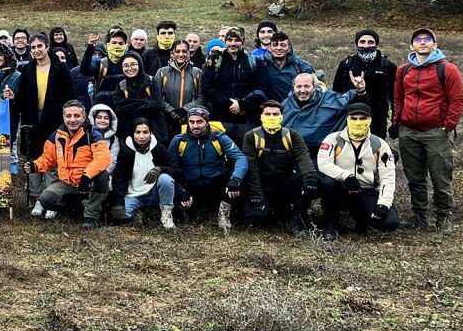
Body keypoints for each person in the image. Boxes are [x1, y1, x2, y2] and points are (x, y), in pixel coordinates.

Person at [392, 27, 463, 230]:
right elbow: (398, 98)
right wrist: (396, 122)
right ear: (411, 45)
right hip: (408, 132)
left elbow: (457, 100)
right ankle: (420, 217)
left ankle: (443, 218)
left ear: (435, 44)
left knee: (440, 177)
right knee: (415, 178)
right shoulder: (404, 70)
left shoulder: (447, 69)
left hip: (435, 132)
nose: (422, 42)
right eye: (418, 39)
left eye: (427, 39)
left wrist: (447, 126)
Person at [23, 100, 111, 229]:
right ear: (63, 117)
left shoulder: (93, 134)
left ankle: (91, 216)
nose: (72, 120)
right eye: (68, 116)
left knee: (103, 175)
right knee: (46, 199)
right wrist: (34, 166)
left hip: (88, 182)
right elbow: (48, 158)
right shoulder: (56, 136)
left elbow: (103, 158)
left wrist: (86, 177)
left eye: (76, 116)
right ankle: (77, 207)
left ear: (84, 117)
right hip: (67, 183)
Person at [316, 103, 399, 239]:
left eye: (362, 118)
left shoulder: (380, 144)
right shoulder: (333, 139)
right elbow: (323, 163)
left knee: (390, 222)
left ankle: (362, 219)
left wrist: (383, 204)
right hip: (340, 187)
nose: (358, 121)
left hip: (365, 190)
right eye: (354, 118)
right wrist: (346, 176)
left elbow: (388, 177)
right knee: (328, 183)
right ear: (347, 119)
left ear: (369, 120)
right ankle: (330, 222)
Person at [242, 99, 320, 238]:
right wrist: (256, 195)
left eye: (275, 114)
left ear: (282, 116)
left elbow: (304, 158)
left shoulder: (292, 135)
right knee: (256, 217)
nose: (272, 117)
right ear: (261, 116)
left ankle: (298, 220)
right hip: (263, 181)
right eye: (268, 114)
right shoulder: (251, 136)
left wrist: (310, 180)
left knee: (305, 178)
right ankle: (276, 208)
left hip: (285, 180)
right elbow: (251, 168)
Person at [167, 105, 247, 233]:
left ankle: (224, 214)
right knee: (183, 215)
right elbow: (170, 167)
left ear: (207, 122)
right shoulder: (179, 140)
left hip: (215, 184)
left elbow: (240, 158)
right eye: (191, 122)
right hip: (191, 185)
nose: (195, 126)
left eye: (200, 122)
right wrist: (180, 191)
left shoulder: (219, 138)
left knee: (234, 178)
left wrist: (235, 179)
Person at [13, 33, 76, 195]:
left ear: (47, 47)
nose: (36, 50)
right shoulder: (27, 69)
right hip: (32, 118)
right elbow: (22, 96)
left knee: (53, 156)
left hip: (54, 118)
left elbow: (70, 93)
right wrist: (13, 98)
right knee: (33, 156)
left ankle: (50, 195)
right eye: (33, 47)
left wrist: (61, 112)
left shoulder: (60, 68)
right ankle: (35, 196)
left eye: (39, 46)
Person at [202, 26, 267, 145]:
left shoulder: (255, 62)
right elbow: (207, 88)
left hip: (247, 119)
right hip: (220, 118)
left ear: (243, 41)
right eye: (230, 40)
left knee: (246, 153)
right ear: (225, 41)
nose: (233, 43)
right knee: (220, 154)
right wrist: (229, 103)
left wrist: (242, 104)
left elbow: (261, 89)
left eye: (237, 40)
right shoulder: (215, 61)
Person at [109, 119, 178, 228]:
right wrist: (118, 202)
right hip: (134, 195)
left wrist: (160, 169)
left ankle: (166, 214)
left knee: (165, 178)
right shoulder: (126, 151)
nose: (142, 136)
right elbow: (119, 179)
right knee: (120, 216)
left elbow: (177, 171)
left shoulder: (159, 148)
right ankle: (140, 214)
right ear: (132, 133)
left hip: (155, 194)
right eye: (138, 132)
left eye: (145, 132)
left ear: (151, 133)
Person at [282, 72, 365, 157]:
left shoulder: (329, 100)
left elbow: (353, 103)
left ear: (314, 87)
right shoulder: (287, 104)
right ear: (293, 88)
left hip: (321, 155)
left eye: (307, 86)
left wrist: (360, 91)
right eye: (299, 86)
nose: (302, 90)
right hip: (292, 156)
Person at [332, 30, 396, 139]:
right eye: (362, 42)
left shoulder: (387, 66)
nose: (366, 46)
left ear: (376, 44)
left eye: (370, 42)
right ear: (356, 44)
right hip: (351, 117)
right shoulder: (346, 64)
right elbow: (336, 94)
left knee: (375, 151)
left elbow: (395, 97)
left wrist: (395, 123)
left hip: (378, 119)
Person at [113, 52, 165, 143]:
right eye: (125, 65)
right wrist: (146, 102)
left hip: (154, 130)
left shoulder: (151, 81)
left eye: (133, 64)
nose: (129, 68)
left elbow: (158, 105)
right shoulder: (121, 86)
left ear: (140, 65)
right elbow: (120, 108)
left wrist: (130, 104)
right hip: (129, 132)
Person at [155, 40, 202, 138]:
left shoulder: (197, 73)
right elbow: (156, 96)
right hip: (167, 121)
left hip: (190, 121)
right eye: (178, 51)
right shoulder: (162, 72)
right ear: (172, 53)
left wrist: (185, 109)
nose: (181, 54)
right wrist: (171, 110)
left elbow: (202, 97)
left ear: (189, 53)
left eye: (184, 51)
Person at [79, 28, 129, 110]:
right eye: (114, 43)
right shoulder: (101, 64)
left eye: (121, 43)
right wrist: (90, 48)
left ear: (125, 45)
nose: (117, 45)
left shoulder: (130, 63)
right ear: (108, 45)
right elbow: (84, 70)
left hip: (124, 110)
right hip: (103, 112)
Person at [261, 30, 315, 102]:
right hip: (270, 109)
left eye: (283, 45)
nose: (279, 48)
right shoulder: (261, 64)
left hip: (295, 108)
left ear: (289, 48)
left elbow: (316, 87)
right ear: (269, 48)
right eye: (275, 45)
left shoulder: (301, 65)